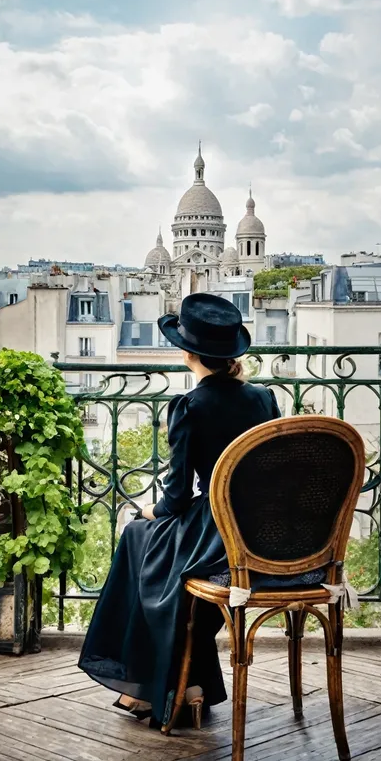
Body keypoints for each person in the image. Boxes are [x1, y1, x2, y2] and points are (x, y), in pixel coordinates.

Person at [79, 293, 282, 730]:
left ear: (187, 351)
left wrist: (152, 509)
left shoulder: (190, 406)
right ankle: (188, 683)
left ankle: (160, 685)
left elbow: (174, 497)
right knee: (160, 563)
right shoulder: (264, 398)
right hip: (259, 532)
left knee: (138, 537)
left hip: (217, 530)